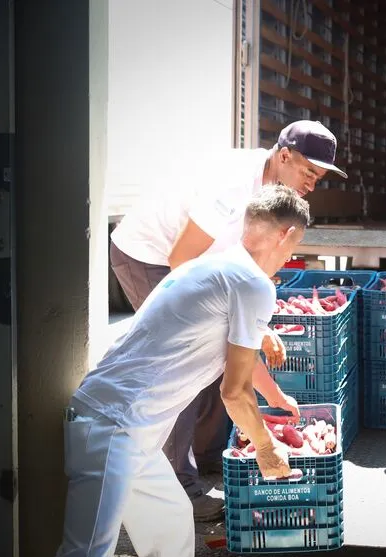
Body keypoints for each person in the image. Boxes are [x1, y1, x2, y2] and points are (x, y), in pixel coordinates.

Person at [108, 119, 347, 519]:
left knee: (228, 357)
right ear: (283, 155)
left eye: (319, 178)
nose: (311, 184)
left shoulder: (271, 192)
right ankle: (180, 487)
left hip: (194, 264)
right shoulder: (233, 187)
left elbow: (231, 279)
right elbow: (182, 261)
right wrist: (239, 327)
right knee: (186, 363)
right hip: (150, 256)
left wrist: (253, 326)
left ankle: (208, 455)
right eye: (308, 172)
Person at [57, 186, 310, 557]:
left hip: (133, 433)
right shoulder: (252, 283)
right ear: (285, 235)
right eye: (294, 247)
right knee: (87, 550)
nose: (290, 257)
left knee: (171, 530)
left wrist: (274, 397)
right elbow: (234, 392)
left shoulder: (215, 265)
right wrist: (266, 450)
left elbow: (237, 351)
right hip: (113, 426)